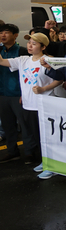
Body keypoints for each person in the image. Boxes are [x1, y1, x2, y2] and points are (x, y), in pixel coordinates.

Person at [0, 33, 62, 179]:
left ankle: (52, 165)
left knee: (47, 136)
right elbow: (2, 62)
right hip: (28, 105)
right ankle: (44, 161)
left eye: (34, 43)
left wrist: (43, 89)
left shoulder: (49, 60)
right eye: (29, 43)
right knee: (36, 136)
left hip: (44, 104)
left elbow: (59, 79)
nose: (30, 45)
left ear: (43, 46)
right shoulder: (23, 60)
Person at [0, 24, 30, 164]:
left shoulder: (22, 51)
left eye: (6, 32)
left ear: (15, 35)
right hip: (2, 94)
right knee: (8, 126)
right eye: (1, 33)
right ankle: (12, 152)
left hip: (18, 94)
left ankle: (30, 153)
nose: (3, 35)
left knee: (25, 126)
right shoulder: (0, 50)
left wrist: (24, 93)